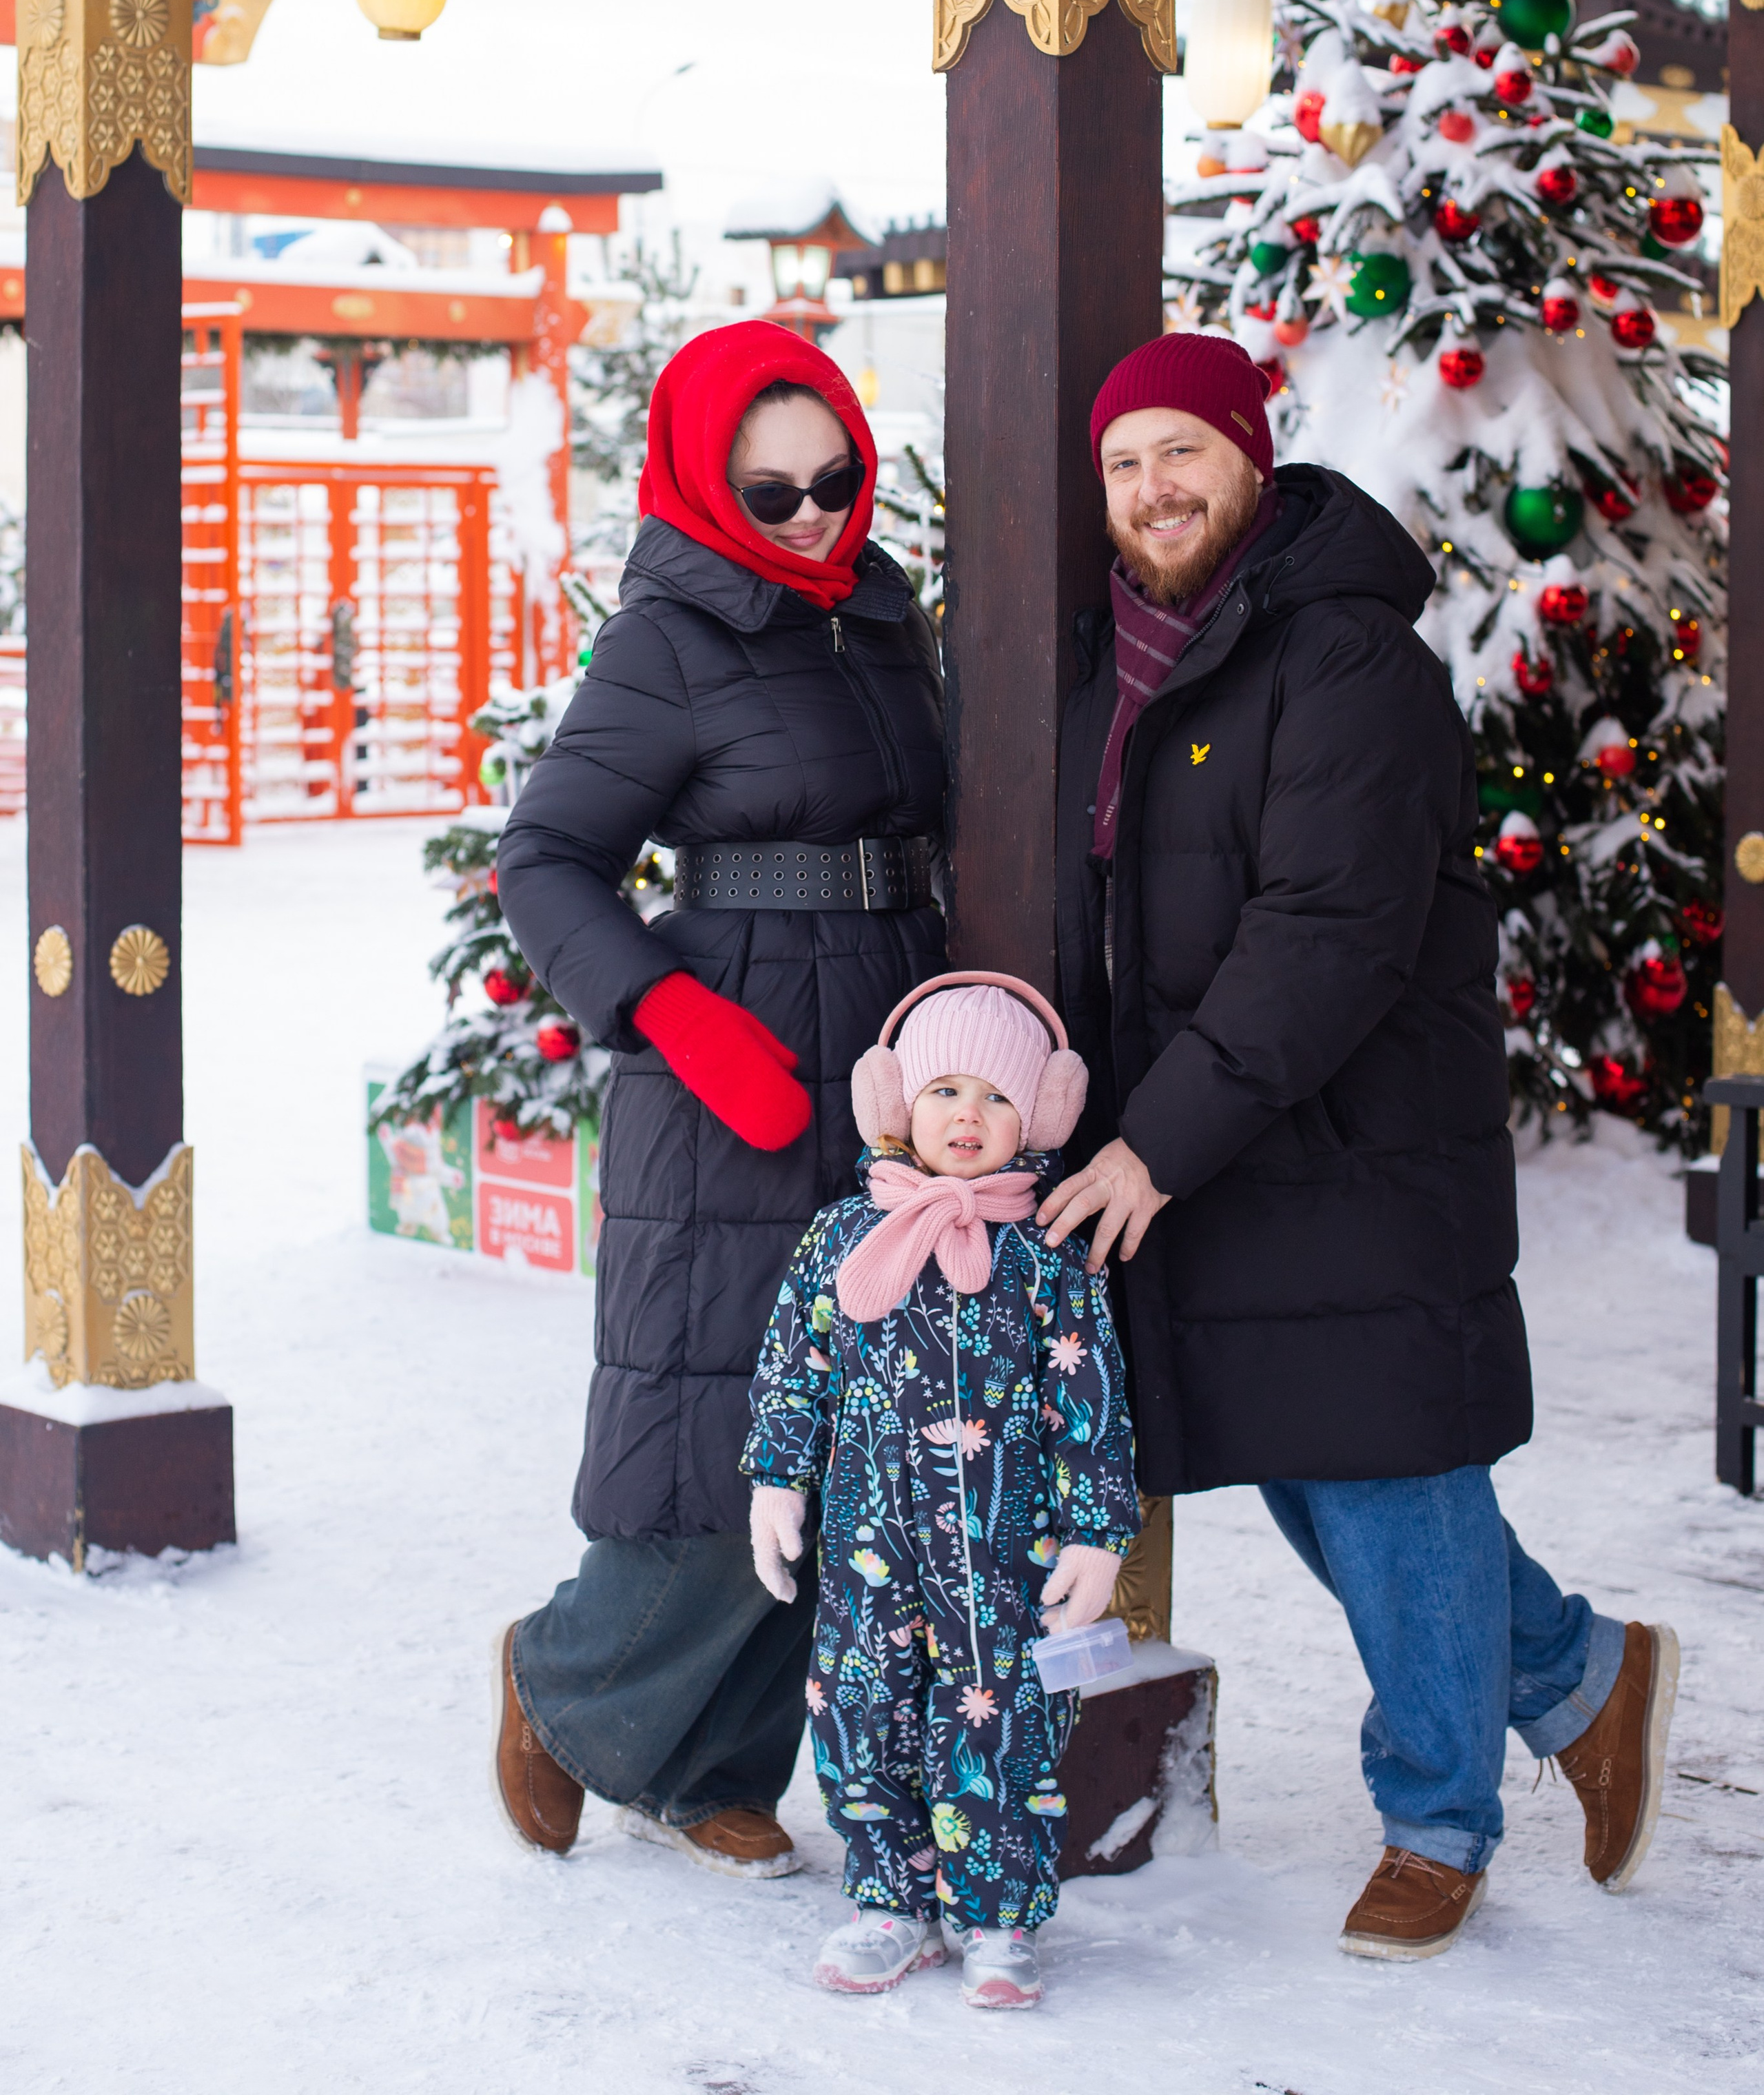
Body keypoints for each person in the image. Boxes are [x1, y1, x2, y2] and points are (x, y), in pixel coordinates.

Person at [1041, 331, 1679, 1960]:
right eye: (1123, 465)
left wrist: (1152, 1145)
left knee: (1386, 1477)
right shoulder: (1146, 657)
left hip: (1355, 1138)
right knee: (1324, 1478)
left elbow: (1326, 927)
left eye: (1180, 452)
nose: (1151, 489)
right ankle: (1579, 1679)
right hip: (1248, 1141)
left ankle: (1433, 1818)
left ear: (1250, 459)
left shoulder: (1341, 660)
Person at [489, 320, 945, 1878]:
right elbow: (542, 859)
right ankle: (560, 1685)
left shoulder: (882, 620)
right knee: (716, 1426)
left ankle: (716, 1767)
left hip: (884, 1056)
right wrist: (670, 1009)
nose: (814, 517)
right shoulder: (665, 641)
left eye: (835, 481)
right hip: (733, 1076)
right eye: (772, 495)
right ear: (702, 484)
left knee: (841, 1427)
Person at [744, 974, 1137, 2010]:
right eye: (947, 1091)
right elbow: (796, 1369)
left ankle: (998, 1917)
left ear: (1041, 1113)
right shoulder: (841, 1239)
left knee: (1000, 1722)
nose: (969, 1116)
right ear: (895, 1103)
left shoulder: (1049, 1254)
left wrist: (1098, 1535)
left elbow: (1087, 1399)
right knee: (861, 1710)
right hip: (871, 1550)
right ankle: (889, 1903)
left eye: (999, 1098)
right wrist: (778, 1482)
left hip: (1005, 1560)